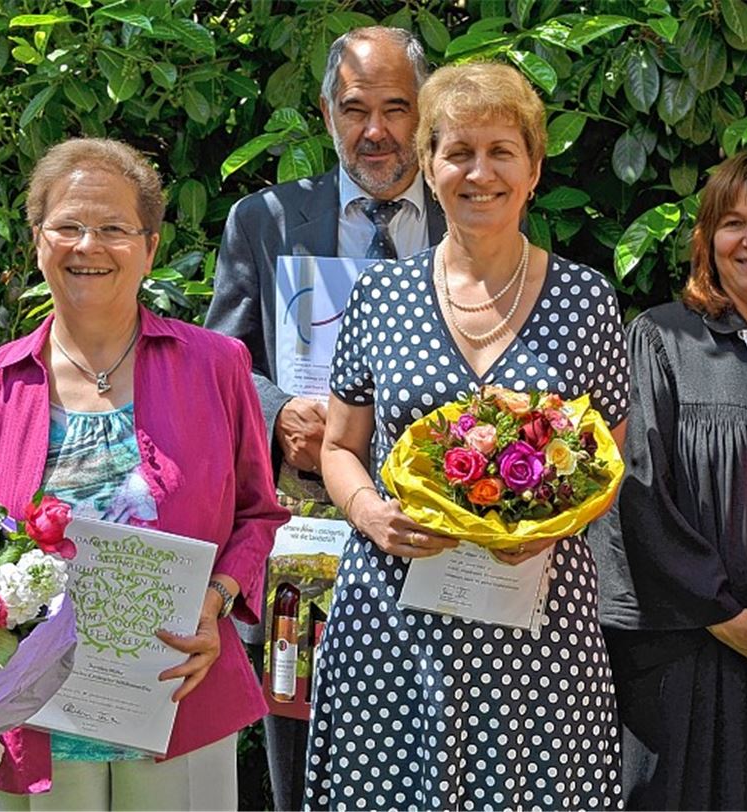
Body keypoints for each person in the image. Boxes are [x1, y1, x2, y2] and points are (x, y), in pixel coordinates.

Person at [308, 62, 630, 810]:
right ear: (428, 165)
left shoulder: (585, 299)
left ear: (533, 168)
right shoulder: (381, 294)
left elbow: (611, 463)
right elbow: (339, 446)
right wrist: (369, 514)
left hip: (537, 622)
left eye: (500, 152)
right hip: (394, 617)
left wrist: (554, 526)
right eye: (457, 152)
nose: (478, 173)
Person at [0, 138, 288, 810]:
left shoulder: (216, 365)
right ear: (38, 240)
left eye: (113, 228)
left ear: (150, 247)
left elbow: (259, 515)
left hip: (177, 698)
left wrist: (215, 605)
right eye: (67, 226)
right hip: (31, 716)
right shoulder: (3, 381)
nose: (87, 246)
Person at [203, 27, 444, 810]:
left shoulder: (469, 215)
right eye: (354, 110)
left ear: (426, 112)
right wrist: (278, 417)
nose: (375, 132)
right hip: (305, 534)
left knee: (429, 749)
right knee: (304, 757)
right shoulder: (266, 220)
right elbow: (224, 358)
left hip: (435, 533)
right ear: (325, 112)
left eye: (396, 109)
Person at [587, 151, 747, 810]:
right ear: (708, 243)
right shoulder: (661, 340)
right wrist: (727, 614)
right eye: (733, 223)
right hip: (688, 652)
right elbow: (638, 487)